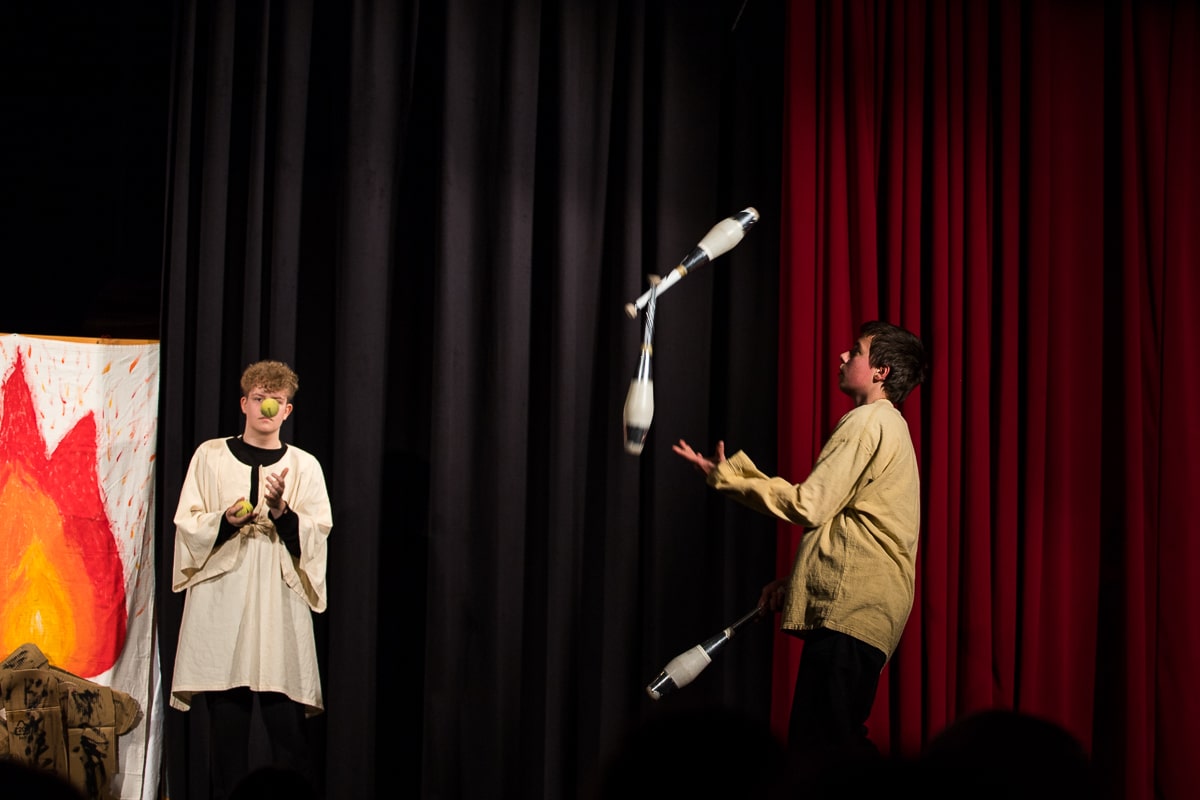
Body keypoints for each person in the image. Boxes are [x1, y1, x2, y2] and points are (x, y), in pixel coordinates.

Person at [673, 320, 927, 778]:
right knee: (827, 745)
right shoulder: (893, 428)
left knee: (825, 752)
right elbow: (858, 527)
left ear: (881, 371)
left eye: (856, 351)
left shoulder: (867, 421)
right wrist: (797, 583)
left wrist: (728, 477)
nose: (843, 356)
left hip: (852, 612)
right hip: (866, 611)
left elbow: (811, 505)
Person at [169, 360, 333, 799]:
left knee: (288, 734)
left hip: (277, 604)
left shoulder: (304, 466)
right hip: (223, 601)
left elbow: (317, 535)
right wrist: (224, 520)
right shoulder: (210, 456)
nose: (266, 408)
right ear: (244, 403)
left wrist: (281, 512)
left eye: (275, 401)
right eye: (259, 398)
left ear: (287, 410)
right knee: (226, 734)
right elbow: (187, 522)